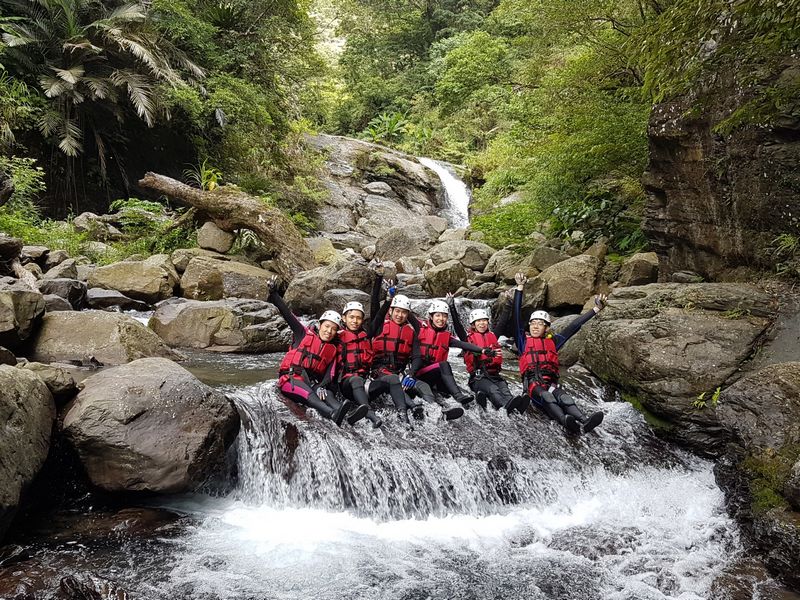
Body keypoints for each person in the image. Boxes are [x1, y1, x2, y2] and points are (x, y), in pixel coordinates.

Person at [512, 272, 606, 435]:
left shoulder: (553, 342)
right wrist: (520, 288)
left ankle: (585, 421)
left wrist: (596, 309)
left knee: (565, 398)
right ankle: (565, 421)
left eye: (540, 324)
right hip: (533, 387)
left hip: (550, 384)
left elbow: (575, 325)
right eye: (533, 324)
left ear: (546, 328)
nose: (535, 326)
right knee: (548, 398)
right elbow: (516, 317)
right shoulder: (523, 342)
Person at [268, 276, 367, 426]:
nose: (329, 331)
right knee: (310, 394)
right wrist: (274, 295)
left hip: (310, 382)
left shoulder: (332, 349)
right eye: (327, 326)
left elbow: (330, 374)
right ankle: (332, 414)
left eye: (334, 329)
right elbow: (287, 314)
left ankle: (347, 415)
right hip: (290, 379)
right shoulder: (302, 334)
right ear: (320, 325)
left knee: (325, 394)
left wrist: (322, 386)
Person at [406, 298, 501, 414]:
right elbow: (407, 314)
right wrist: (390, 297)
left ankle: (450, 406)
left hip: (435, 376)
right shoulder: (420, 327)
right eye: (437, 315)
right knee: (444, 365)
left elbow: (464, 345)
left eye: (444, 316)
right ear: (431, 316)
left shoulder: (446, 337)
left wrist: (483, 351)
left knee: (450, 392)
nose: (441, 319)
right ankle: (458, 396)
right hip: (420, 373)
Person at [367, 265, 430, 424]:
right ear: (391, 311)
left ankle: (438, 406)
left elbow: (417, 357)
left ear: (408, 315)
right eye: (397, 311)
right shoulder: (380, 325)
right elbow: (374, 304)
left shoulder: (410, 332)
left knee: (420, 385)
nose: (400, 315)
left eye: (404, 312)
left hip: (399, 373)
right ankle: (413, 407)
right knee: (393, 379)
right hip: (378, 372)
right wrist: (378, 277)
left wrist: (411, 373)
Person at [449, 298, 526, 413]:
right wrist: (452, 306)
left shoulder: (493, 335)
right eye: (478, 321)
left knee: (504, 389)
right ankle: (504, 408)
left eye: (484, 321)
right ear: (473, 324)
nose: (482, 323)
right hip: (478, 378)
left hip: (494, 375)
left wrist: (509, 304)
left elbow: (502, 322)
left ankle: (513, 405)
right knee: (493, 389)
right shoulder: (466, 339)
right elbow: (458, 326)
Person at [336, 299, 383, 428]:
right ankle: (371, 415)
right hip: (345, 386)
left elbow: (378, 316)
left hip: (364, 384)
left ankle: (406, 414)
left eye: (358, 318)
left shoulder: (366, 336)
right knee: (355, 379)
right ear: (344, 318)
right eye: (351, 317)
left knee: (392, 379)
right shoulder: (336, 337)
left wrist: (388, 300)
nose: (355, 321)